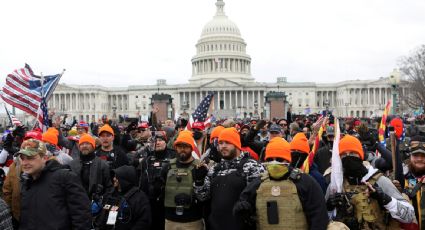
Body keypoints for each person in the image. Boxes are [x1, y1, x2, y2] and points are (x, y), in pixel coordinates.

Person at [326, 135, 416, 229]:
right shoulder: (336, 185)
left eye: (353, 153)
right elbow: (321, 220)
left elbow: (409, 216)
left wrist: (385, 199)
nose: (348, 157)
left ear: (360, 156)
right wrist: (328, 208)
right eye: (344, 154)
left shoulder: (380, 181)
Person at [194, 127, 265, 230]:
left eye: (227, 142)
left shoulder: (251, 166)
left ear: (236, 144)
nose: (223, 146)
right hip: (216, 226)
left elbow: (259, 201)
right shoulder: (214, 169)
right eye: (220, 143)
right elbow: (203, 197)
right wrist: (199, 181)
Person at [254, 137, 329, 229]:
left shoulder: (305, 181)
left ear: (288, 160)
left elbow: (319, 215)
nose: (274, 163)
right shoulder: (258, 182)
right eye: (270, 159)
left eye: (279, 159)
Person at [18, 139, 91, 230]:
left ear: (44, 158)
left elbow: (82, 216)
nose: (25, 163)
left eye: (30, 158)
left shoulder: (64, 177)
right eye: (22, 158)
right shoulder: (27, 181)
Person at [164, 131, 205, 230]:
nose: (182, 149)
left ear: (191, 148)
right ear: (175, 148)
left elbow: (205, 196)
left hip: (192, 221)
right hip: (170, 220)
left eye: (186, 146)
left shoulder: (200, 167)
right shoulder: (167, 166)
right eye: (179, 146)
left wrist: (192, 197)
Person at [69, 134, 114, 223]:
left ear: (93, 146)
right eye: (82, 144)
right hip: (76, 208)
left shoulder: (102, 165)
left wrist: (102, 202)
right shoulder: (72, 164)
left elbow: (109, 187)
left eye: (87, 143)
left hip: (96, 210)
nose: (84, 146)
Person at [139, 130, 176, 230]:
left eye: (161, 140)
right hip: (150, 200)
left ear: (166, 141)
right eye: (155, 140)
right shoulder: (148, 158)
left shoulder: (173, 156)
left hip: (167, 200)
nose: (158, 142)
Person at [98, 165, 151, 229]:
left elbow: (144, 221)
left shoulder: (139, 197)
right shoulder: (110, 193)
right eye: (114, 176)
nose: (114, 178)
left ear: (124, 179)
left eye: (116, 177)